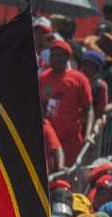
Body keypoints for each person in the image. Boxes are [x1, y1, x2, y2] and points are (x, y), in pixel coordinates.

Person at [38, 39, 93, 168]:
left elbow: (89, 108)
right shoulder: (42, 78)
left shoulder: (79, 79)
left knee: (68, 175)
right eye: (53, 55)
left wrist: (88, 133)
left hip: (71, 140)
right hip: (49, 140)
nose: (56, 58)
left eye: (60, 55)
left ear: (67, 57)